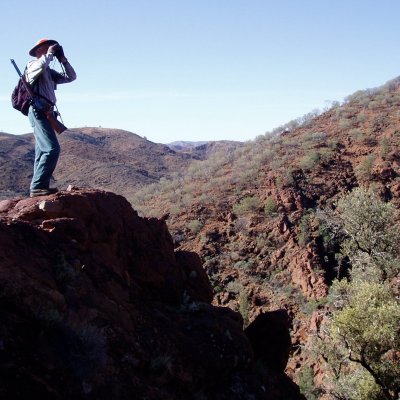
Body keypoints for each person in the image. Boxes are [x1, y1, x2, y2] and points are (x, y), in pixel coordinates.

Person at [25, 38, 77, 197]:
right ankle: (38, 186)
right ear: (39, 50)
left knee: (42, 151)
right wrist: (48, 54)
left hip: (47, 112)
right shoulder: (33, 65)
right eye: (48, 47)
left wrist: (63, 60)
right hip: (38, 110)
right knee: (52, 149)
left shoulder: (48, 71)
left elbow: (71, 77)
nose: (52, 50)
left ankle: (39, 186)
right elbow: (40, 65)